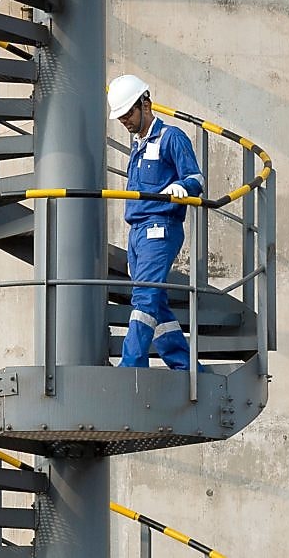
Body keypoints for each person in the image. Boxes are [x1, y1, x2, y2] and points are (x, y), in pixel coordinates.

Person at [107, 74, 205, 371]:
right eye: (121, 119)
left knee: (145, 298)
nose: (125, 122)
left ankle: (131, 366)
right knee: (156, 305)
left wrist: (182, 187)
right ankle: (187, 368)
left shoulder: (171, 137)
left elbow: (196, 178)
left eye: (128, 115)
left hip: (159, 229)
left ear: (145, 103)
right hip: (138, 233)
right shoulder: (138, 146)